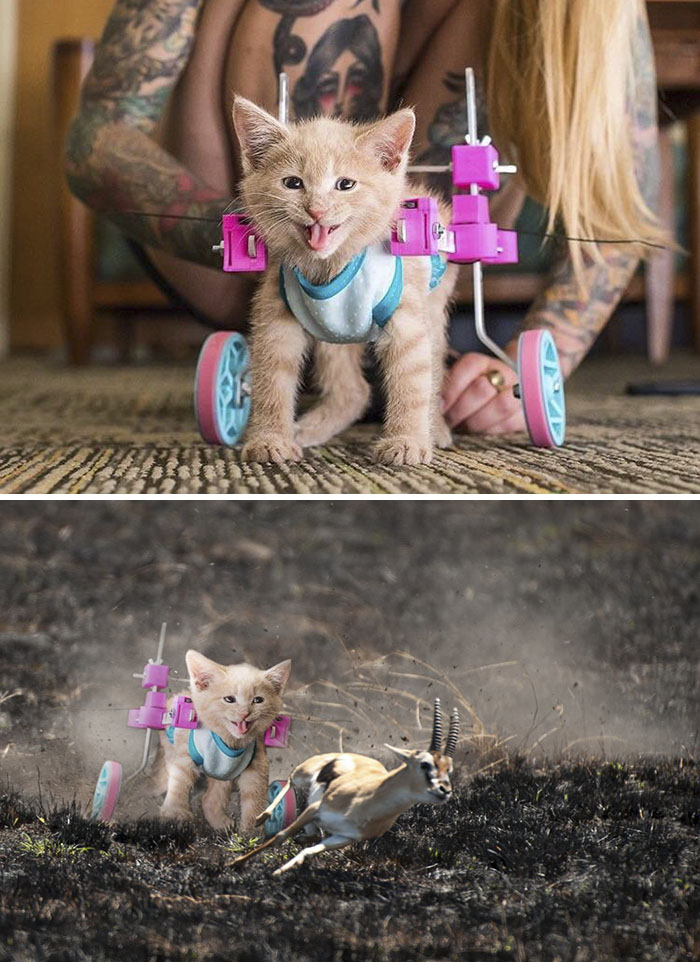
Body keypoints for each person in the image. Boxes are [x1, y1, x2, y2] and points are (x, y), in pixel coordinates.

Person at [66, 0, 664, 436]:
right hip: (244, 260)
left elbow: (623, 200)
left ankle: (386, 375)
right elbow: (98, 138)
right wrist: (264, 229)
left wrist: (522, 372)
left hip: (407, 285)